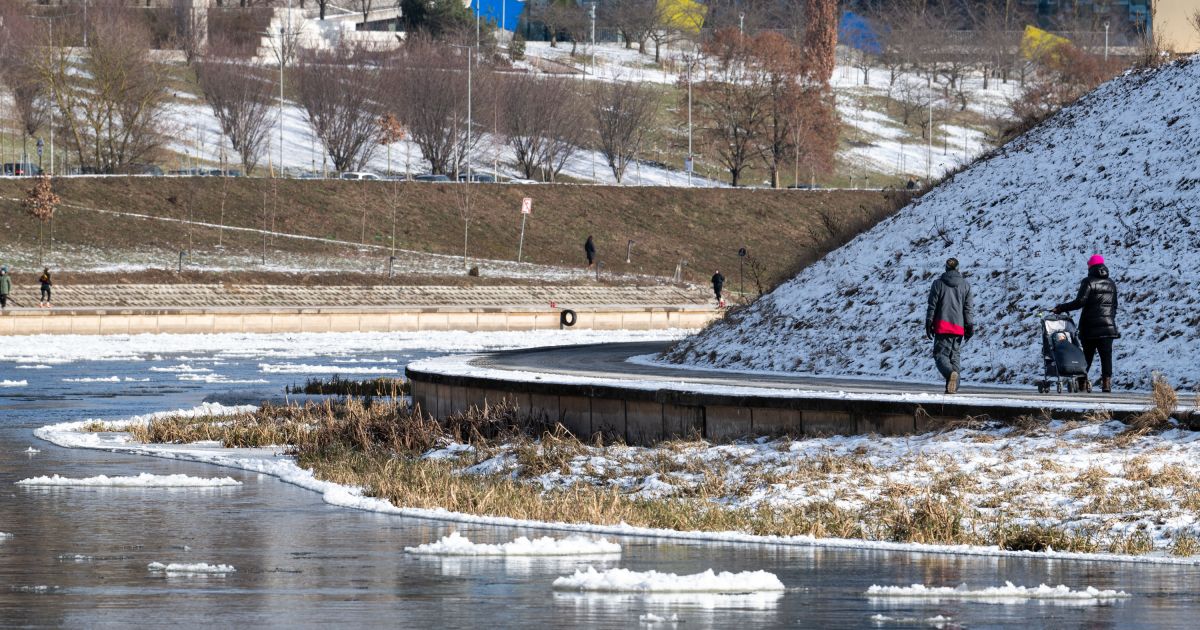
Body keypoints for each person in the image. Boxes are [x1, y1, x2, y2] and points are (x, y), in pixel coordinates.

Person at [1052, 254, 1119, 393]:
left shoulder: (1088, 281)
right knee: (1106, 356)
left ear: (1091, 266)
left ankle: (1082, 383)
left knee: (1087, 356)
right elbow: (1114, 305)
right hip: (1108, 327)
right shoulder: (1111, 283)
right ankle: (1106, 384)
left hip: (1090, 327)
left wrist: (1061, 308)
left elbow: (1080, 302)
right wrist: (1110, 319)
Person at [925, 257, 974, 394]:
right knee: (954, 356)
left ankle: (950, 373)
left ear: (946, 268)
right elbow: (968, 308)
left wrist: (929, 322)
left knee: (940, 355)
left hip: (942, 325)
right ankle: (953, 388)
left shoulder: (938, 284)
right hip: (959, 327)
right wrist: (969, 325)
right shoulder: (966, 285)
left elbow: (932, 305)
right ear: (958, 268)